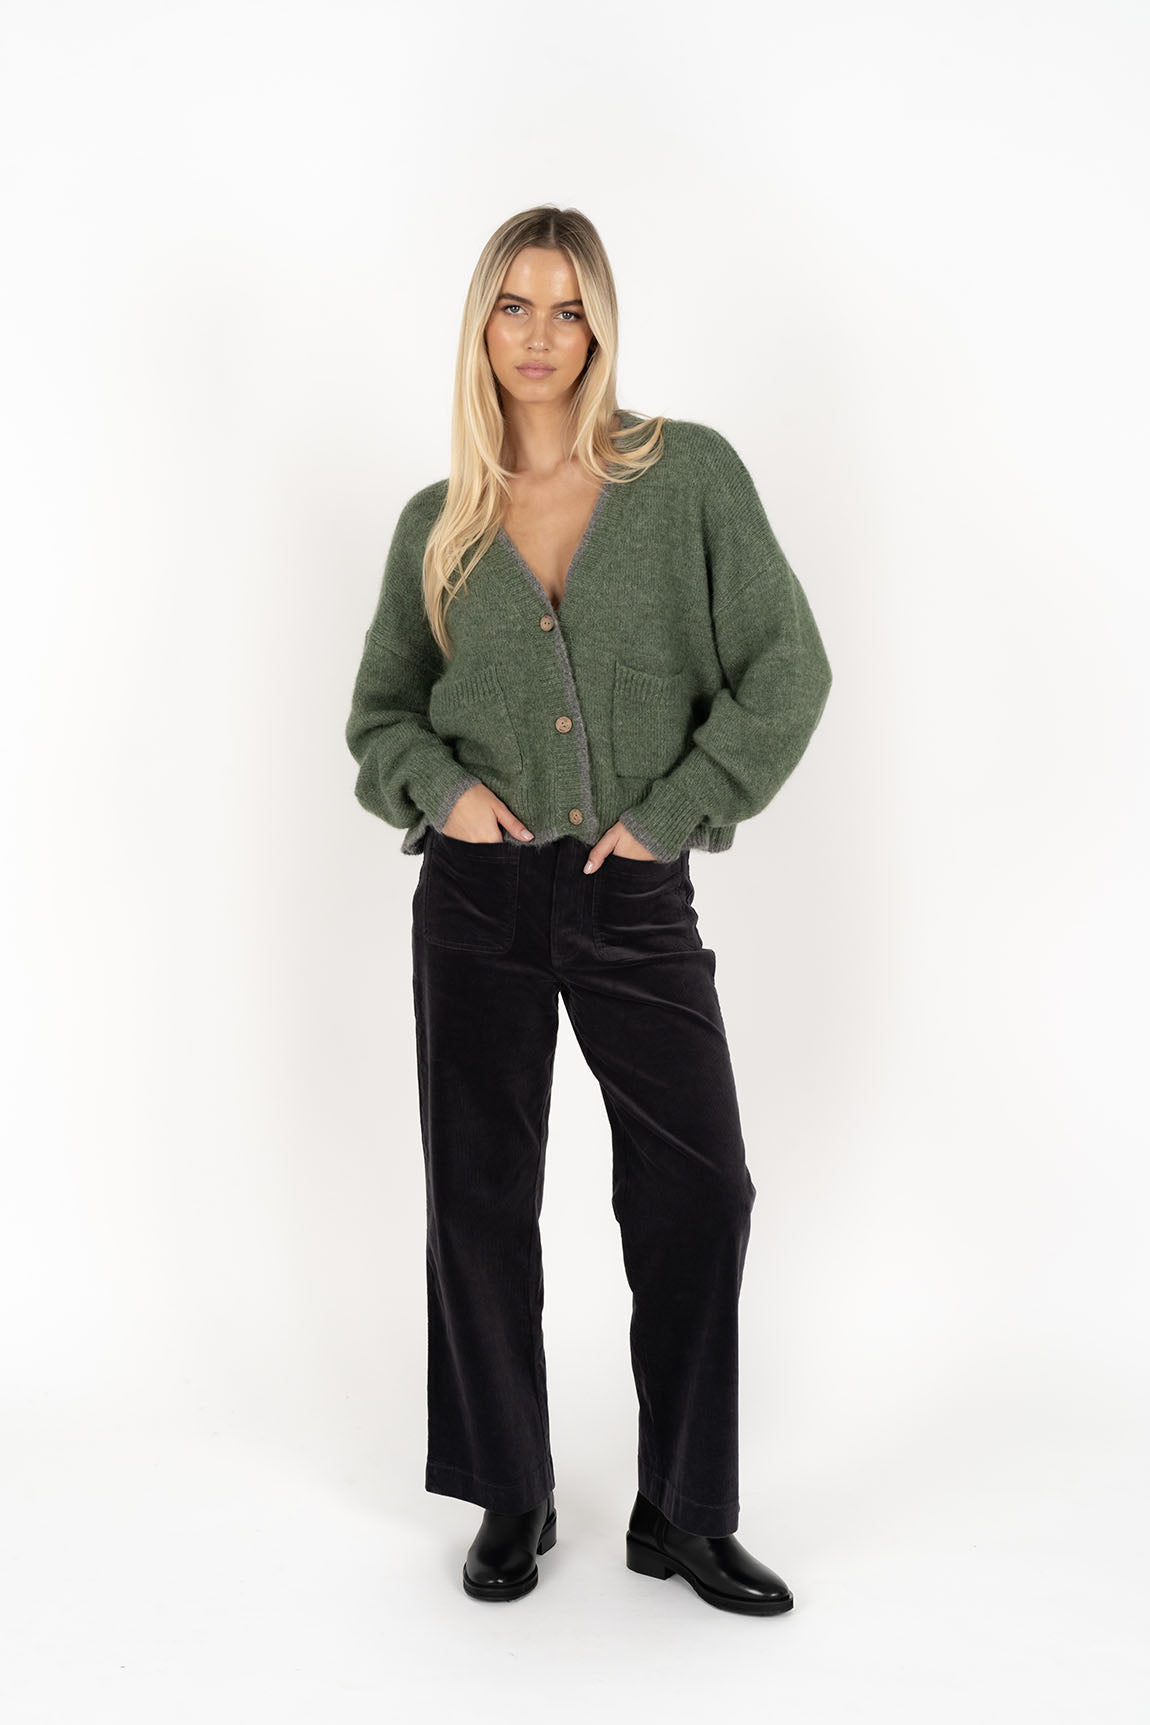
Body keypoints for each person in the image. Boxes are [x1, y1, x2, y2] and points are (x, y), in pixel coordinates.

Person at [345, 205, 833, 1614]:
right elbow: (380, 716)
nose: (541, 336)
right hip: (478, 896)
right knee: (480, 1197)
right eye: (515, 305)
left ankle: (683, 1509)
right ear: (480, 325)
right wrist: (440, 791)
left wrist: (676, 811)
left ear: (601, 325)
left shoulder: (688, 478)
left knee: (700, 1186)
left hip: (634, 892)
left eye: (568, 308)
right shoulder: (437, 525)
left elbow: (786, 667)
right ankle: (512, 1488)